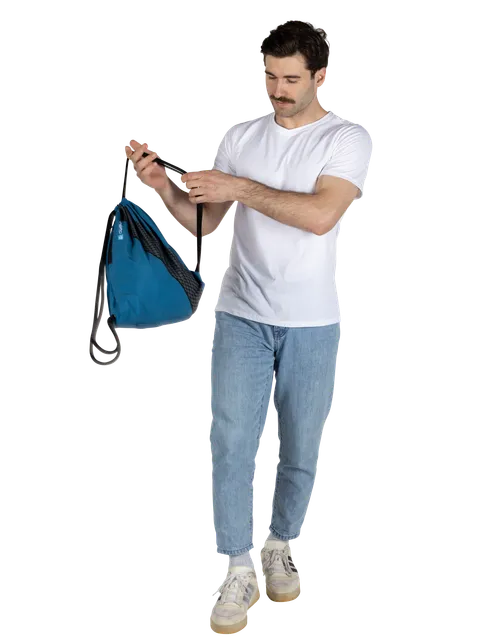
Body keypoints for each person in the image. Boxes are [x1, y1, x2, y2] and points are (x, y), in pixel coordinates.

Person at [123, 19, 374, 638]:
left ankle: (280, 547)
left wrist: (237, 186)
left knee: (300, 444)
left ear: (321, 77)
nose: (278, 90)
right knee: (232, 441)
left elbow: (320, 215)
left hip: (313, 318)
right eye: (270, 76)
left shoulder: (347, 138)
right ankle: (237, 566)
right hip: (241, 312)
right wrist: (164, 187)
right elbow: (205, 223)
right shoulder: (238, 135)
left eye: (291, 79)